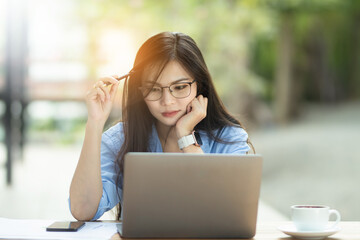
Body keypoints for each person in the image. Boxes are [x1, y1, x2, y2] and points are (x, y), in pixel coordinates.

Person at [69, 32, 254, 221]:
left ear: (200, 85)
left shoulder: (229, 138)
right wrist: (95, 122)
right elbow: (83, 210)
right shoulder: (122, 138)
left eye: (180, 87)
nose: (167, 101)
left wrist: (186, 139)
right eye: (153, 89)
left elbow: (227, 213)